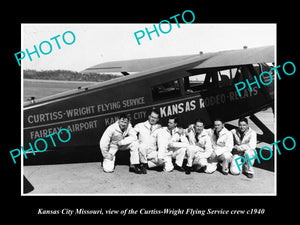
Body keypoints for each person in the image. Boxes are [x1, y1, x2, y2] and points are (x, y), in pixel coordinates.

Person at [133, 109, 163, 174]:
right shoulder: (140, 125)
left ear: (157, 119)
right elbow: (131, 133)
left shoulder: (159, 129)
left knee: (164, 159)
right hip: (141, 151)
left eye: (155, 118)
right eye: (152, 117)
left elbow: (161, 143)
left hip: (151, 152)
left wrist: (160, 158)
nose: (153, 119)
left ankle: (145, 165)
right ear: (149, 117)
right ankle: (142, 163)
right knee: (142, 146)